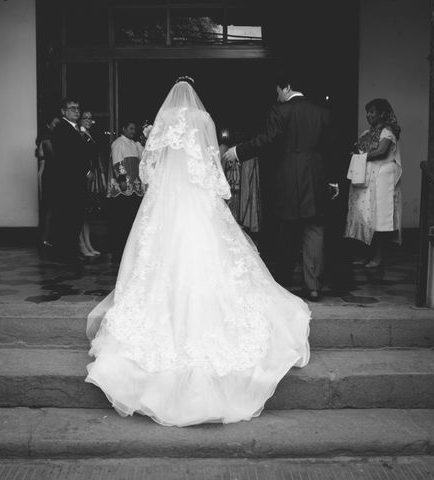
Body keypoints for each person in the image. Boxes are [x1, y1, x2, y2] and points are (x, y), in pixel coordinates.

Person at [85, 77, 310, 427]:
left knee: (156, 263)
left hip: (165, 206)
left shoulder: (161, 123)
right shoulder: (204, 121)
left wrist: (156, 183)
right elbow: (212, 166)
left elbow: (147, 169)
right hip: (198, 202)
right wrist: (221, 193)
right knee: (214, 260)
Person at [223, 71, 338, 302]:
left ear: (286, 87)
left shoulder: (281, 110)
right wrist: (333, 179)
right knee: (314, 229)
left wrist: (238, 151)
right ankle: (313, 286)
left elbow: (268, 140)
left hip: (288, 179)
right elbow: (331, 149)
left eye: (278, 91)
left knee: (287, 230)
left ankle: (283, 283)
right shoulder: (322, 112)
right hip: (316, 178)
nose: (277, 96)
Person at [344, 98, 402, 267]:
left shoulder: (388, 132)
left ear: (382, 114)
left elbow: (382, 151)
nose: (368, 115)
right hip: (367, 178)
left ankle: (378, 256)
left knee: (380, 218)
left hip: (382, 179)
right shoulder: (366, 133)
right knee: (365, 216)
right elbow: (356, 147)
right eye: (367, 112)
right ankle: (366, 255)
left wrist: (360, 156)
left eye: (372, 112)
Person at [49, 98, 92, 262]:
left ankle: (70, 251)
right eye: (72, 108)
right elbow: (67, 156)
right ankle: (67, 253)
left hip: (76, 180)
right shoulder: (61, 129)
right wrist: (85, 170)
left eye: (78, 108)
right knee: (69, 216)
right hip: (68, 181)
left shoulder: (77, 129)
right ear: (63, 111)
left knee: (76, 216)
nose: (76, 111)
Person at [106, 120, 144, 261]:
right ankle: (118, 248)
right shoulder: (118, 143)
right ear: (124, 129)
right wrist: (121, 179)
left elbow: (142, 159)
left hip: (134, 185)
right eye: (131, 128)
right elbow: (117, 161)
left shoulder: (136, 145)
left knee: (131, 218)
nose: (133, 131)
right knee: (121, 218)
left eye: (134, 129)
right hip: (124, 185)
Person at [78, 110, 104, 257]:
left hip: (92, 176)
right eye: (85, 117)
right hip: (84, 176)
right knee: (82, 213)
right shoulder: (80, 134)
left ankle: (88, 244)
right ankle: (82, 244)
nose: (88, 120)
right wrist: (86, 172)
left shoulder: (88, 134)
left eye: (90, 117)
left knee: (87, 214)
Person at [36, 115, 60, 250]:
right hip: (49, 174)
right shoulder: (46, 140)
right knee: (49, 206)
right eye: (55, 124)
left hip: (52, 173)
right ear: (48, 125)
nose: (57, 127)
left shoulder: (52, 139)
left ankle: (50, 237)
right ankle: (45, 238)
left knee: (53, 207)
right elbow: (55, 156)